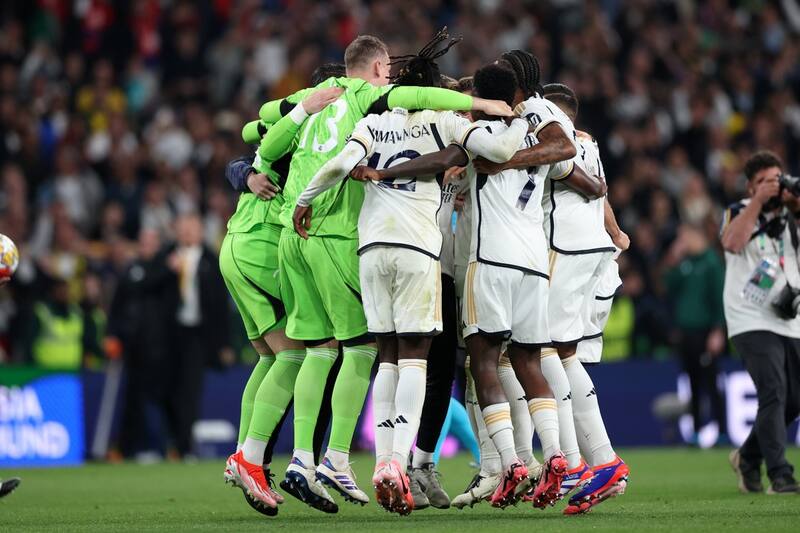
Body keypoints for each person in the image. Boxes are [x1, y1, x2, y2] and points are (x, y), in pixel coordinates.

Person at [244, 31, 514, 509]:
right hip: (412, 250)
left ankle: (307, 458)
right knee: (412, 355)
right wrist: (499, 114)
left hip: (365, 249)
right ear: (379, 72)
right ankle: (387, 461)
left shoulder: (366, 124)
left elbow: (319, 155)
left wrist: (303, 198)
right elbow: (492, 150)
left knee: (370, 350)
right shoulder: (437, 117)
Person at [222, 71, 347, 515]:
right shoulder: (315, 126)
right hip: (264, 245)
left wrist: (244, 169)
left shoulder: (292, 124)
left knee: (272, 357)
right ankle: (251, 458)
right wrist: (246, 171)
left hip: (237, 243)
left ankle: (243, 455)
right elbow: (251, 139)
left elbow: (251, 134)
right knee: (303, 353)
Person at [539, 83, 631, 514]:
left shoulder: (556, 141)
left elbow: (588, 188)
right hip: (594, 252)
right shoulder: (587, 142)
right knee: (564, 354)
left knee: (544, 351)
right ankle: (594, 461)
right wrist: (614, 233)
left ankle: (587, 460)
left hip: (568, 250)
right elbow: (602, 192)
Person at [721, 151, 800, 495]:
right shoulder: (738, 211)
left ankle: (748, 457)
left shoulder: (790, 216)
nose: (774, 186)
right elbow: (732, 242)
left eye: (777, 180)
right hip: (749, 316)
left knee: (794, 400)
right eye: (765, 181)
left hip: (788, 316)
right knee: (774, 392)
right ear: (750, 186)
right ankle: (780, 475)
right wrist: (759, 202)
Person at [165, 213, 231, 459]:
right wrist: (167, 270)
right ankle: (173, 440)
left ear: (200, 232)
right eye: (183, 229)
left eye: (192, 229)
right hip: (170, 334)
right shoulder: (167, 256)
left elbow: (220, 306)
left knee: (190, 390)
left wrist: (224, 343)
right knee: (168, 389)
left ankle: (183, 447)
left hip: (198, 335)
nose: (187, 233)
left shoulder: (211, 260)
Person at [663, 223, 728, 446]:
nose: (681, 242)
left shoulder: (711, 262)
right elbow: (667, 286)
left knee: (711, 383)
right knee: (693, 383)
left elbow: (720, 299)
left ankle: (722, 431)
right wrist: (673, 259)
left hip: (706, 332)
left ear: (694, 235)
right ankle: (698, 431)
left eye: (684, 237)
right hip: (686, 333)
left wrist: (718, 331)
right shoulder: (685, 262)